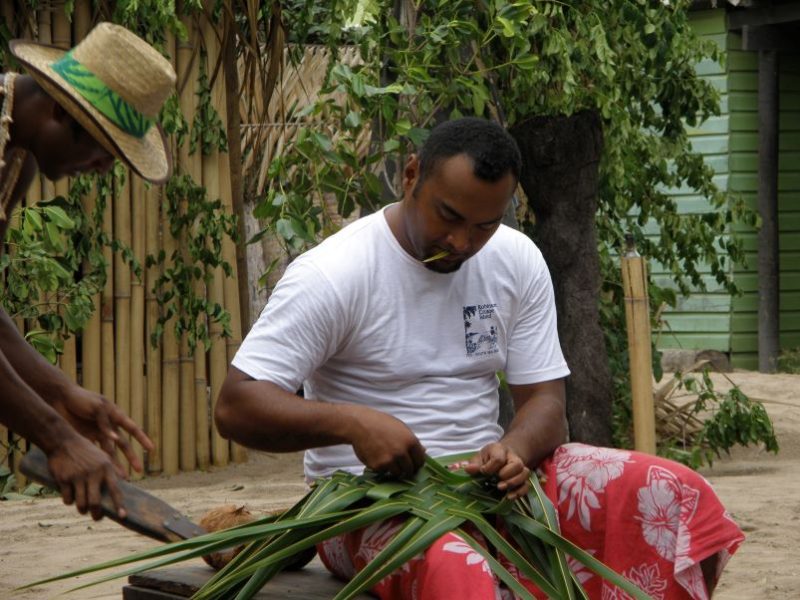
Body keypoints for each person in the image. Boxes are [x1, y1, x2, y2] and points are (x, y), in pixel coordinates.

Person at [216, 118, 743, 599]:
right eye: (448, 215)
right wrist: (354, 423)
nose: (462, 242)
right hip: (366, 506)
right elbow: (237, 405)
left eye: (484, 225)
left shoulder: (515, 258)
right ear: (411, 175)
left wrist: (513, 449)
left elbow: (545, 403)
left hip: (493, 491)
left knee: (675, 492)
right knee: (456, 568)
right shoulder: (334, 274)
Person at [0, 22, 176, 520]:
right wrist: (56, 439)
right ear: (59, 108)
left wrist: (59, 392)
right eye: (103, 148)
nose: (103, 169)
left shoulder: (16, 158)